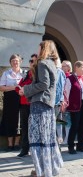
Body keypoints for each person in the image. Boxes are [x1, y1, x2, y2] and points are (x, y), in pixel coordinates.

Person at [20, 40, 63, 177]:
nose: (37, 51)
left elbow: (44, 84)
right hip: (47, 105)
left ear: (44, 49)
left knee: (37, 138)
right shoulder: (52, 63)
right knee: (47, 139)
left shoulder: (43, 63)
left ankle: (42, 170)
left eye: (39, 48)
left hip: (40, 104)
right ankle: (48, 169)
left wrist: (25, 89)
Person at [64, 61, 83, 154]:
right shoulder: (70, 79)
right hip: (75, 105)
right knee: (75, 125)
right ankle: (71, 146)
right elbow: (66, 92)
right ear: (77, 68)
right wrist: (65, 103)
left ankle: (80, 145)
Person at [0, 54, 24, 151]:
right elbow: (1, 88)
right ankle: (10, 144)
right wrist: (14, 87)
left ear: (20, 62)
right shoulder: (6, 73)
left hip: (21, 99)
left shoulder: (24, 74)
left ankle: (17, 143)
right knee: (9, 120)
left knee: (19, 120)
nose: (15, 62)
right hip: (9, 100)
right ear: (10, 63)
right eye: (13, 61)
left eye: (16, 61)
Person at [16, 54, 37, 157]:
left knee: (35, 128)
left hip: (35, 104)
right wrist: (20, 90)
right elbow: (18, 86)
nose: (31, 63)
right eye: (30, 61)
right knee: (24, 127)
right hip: (24, 104)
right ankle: (25, 149)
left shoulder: (39, 74)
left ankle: (35, 149)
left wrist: (26, 90)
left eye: (33, 61)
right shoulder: (26, 74)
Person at [60, 60, 72, 144]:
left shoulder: (70, 77)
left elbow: (67, 91)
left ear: (68, 67)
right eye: (61, 66)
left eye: (63, 66)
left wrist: (65, 102)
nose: (61, 67)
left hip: (67, 102)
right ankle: (60, 137)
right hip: (59, 101)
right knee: (59, 119)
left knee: (67, 120)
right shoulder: (59, 76)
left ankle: (67, 138)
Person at [55, 59, 66, 144]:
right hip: (49, 102)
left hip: (58, 102)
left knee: (59, 122)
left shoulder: (61, 72)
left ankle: (60, 140)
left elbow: (62, 88)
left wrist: (62, 100)